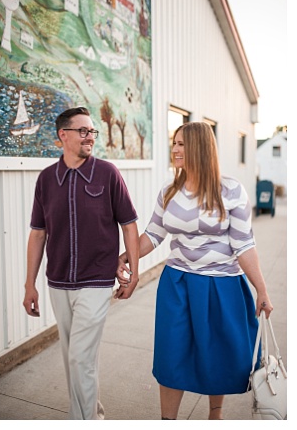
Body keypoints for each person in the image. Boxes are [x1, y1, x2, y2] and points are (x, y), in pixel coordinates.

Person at [117, 122, 274, 420]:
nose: (175, 149)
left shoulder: (231, 191)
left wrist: (262, 289)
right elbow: (153, 234)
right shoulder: (169, 191)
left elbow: (244, 246)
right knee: (170, 354)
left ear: (200, 147)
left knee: (218, 354)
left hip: (222, 285)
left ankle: (215, 414)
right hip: (177, 283)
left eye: (181, 144)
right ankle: (168, 421)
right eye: (174, 143)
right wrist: (129, 256)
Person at [23, 106, 141, 420]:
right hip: (58, 282)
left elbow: (129, 225)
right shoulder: (47, 179)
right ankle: (93, 413)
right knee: (74, 357)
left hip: (97, 280)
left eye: (92, 132)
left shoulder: (107, 173)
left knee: (80, 358)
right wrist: (29, 284)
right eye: (84, 131)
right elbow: (38, 234)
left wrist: (135, 273)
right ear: (64, 135)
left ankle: (85, 421)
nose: (90, 137)